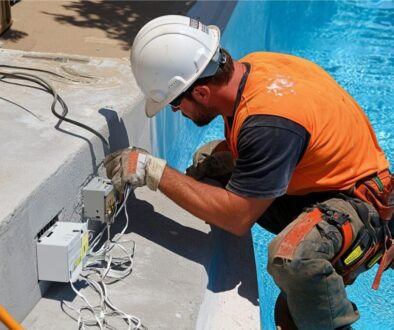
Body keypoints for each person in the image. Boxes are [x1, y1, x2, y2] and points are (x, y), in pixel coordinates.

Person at [104, 15, 394, 330]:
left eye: (175, 104)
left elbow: (237, 219)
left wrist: (153, 170)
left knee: (292, 260)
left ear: (201, 93)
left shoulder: (268, 123)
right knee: (208, 161)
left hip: (359, 210)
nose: (179, 112)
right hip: (319, 182)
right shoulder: (254, 67)